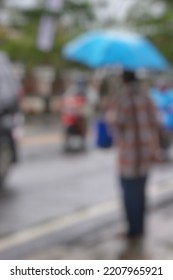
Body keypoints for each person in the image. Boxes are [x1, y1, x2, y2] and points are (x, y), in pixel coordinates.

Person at [114, 71, 161, 256]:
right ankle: (140, 228)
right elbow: (155, 123)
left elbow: (118, 124)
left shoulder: (123, 99)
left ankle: (133, 230)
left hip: (129, 154)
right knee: (141, 193)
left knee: (128, 193)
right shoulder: (147, 98)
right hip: (146, 154)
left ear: (124, 80)